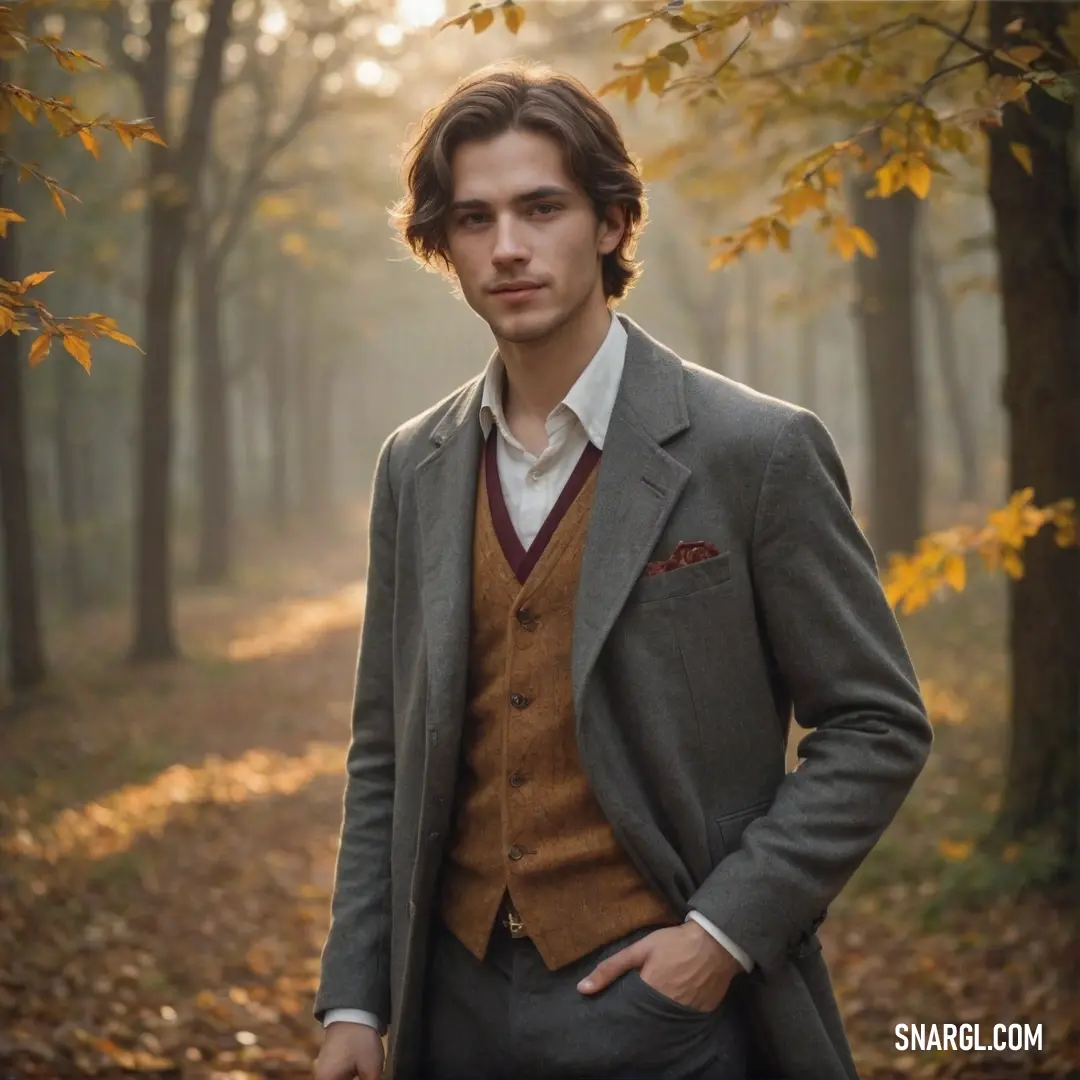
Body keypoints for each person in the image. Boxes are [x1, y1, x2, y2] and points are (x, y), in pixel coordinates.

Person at [312, 61, 931, 1080]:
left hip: (667, 1015)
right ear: (443, 248)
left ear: (609, 223)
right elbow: (385, 750)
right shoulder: (413, 464)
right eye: (472, 219)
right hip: (449, 1011)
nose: (507, 247)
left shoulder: (752, 451)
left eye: (541, 207)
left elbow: (877, 723)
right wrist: (353, 996)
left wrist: (716, 940)